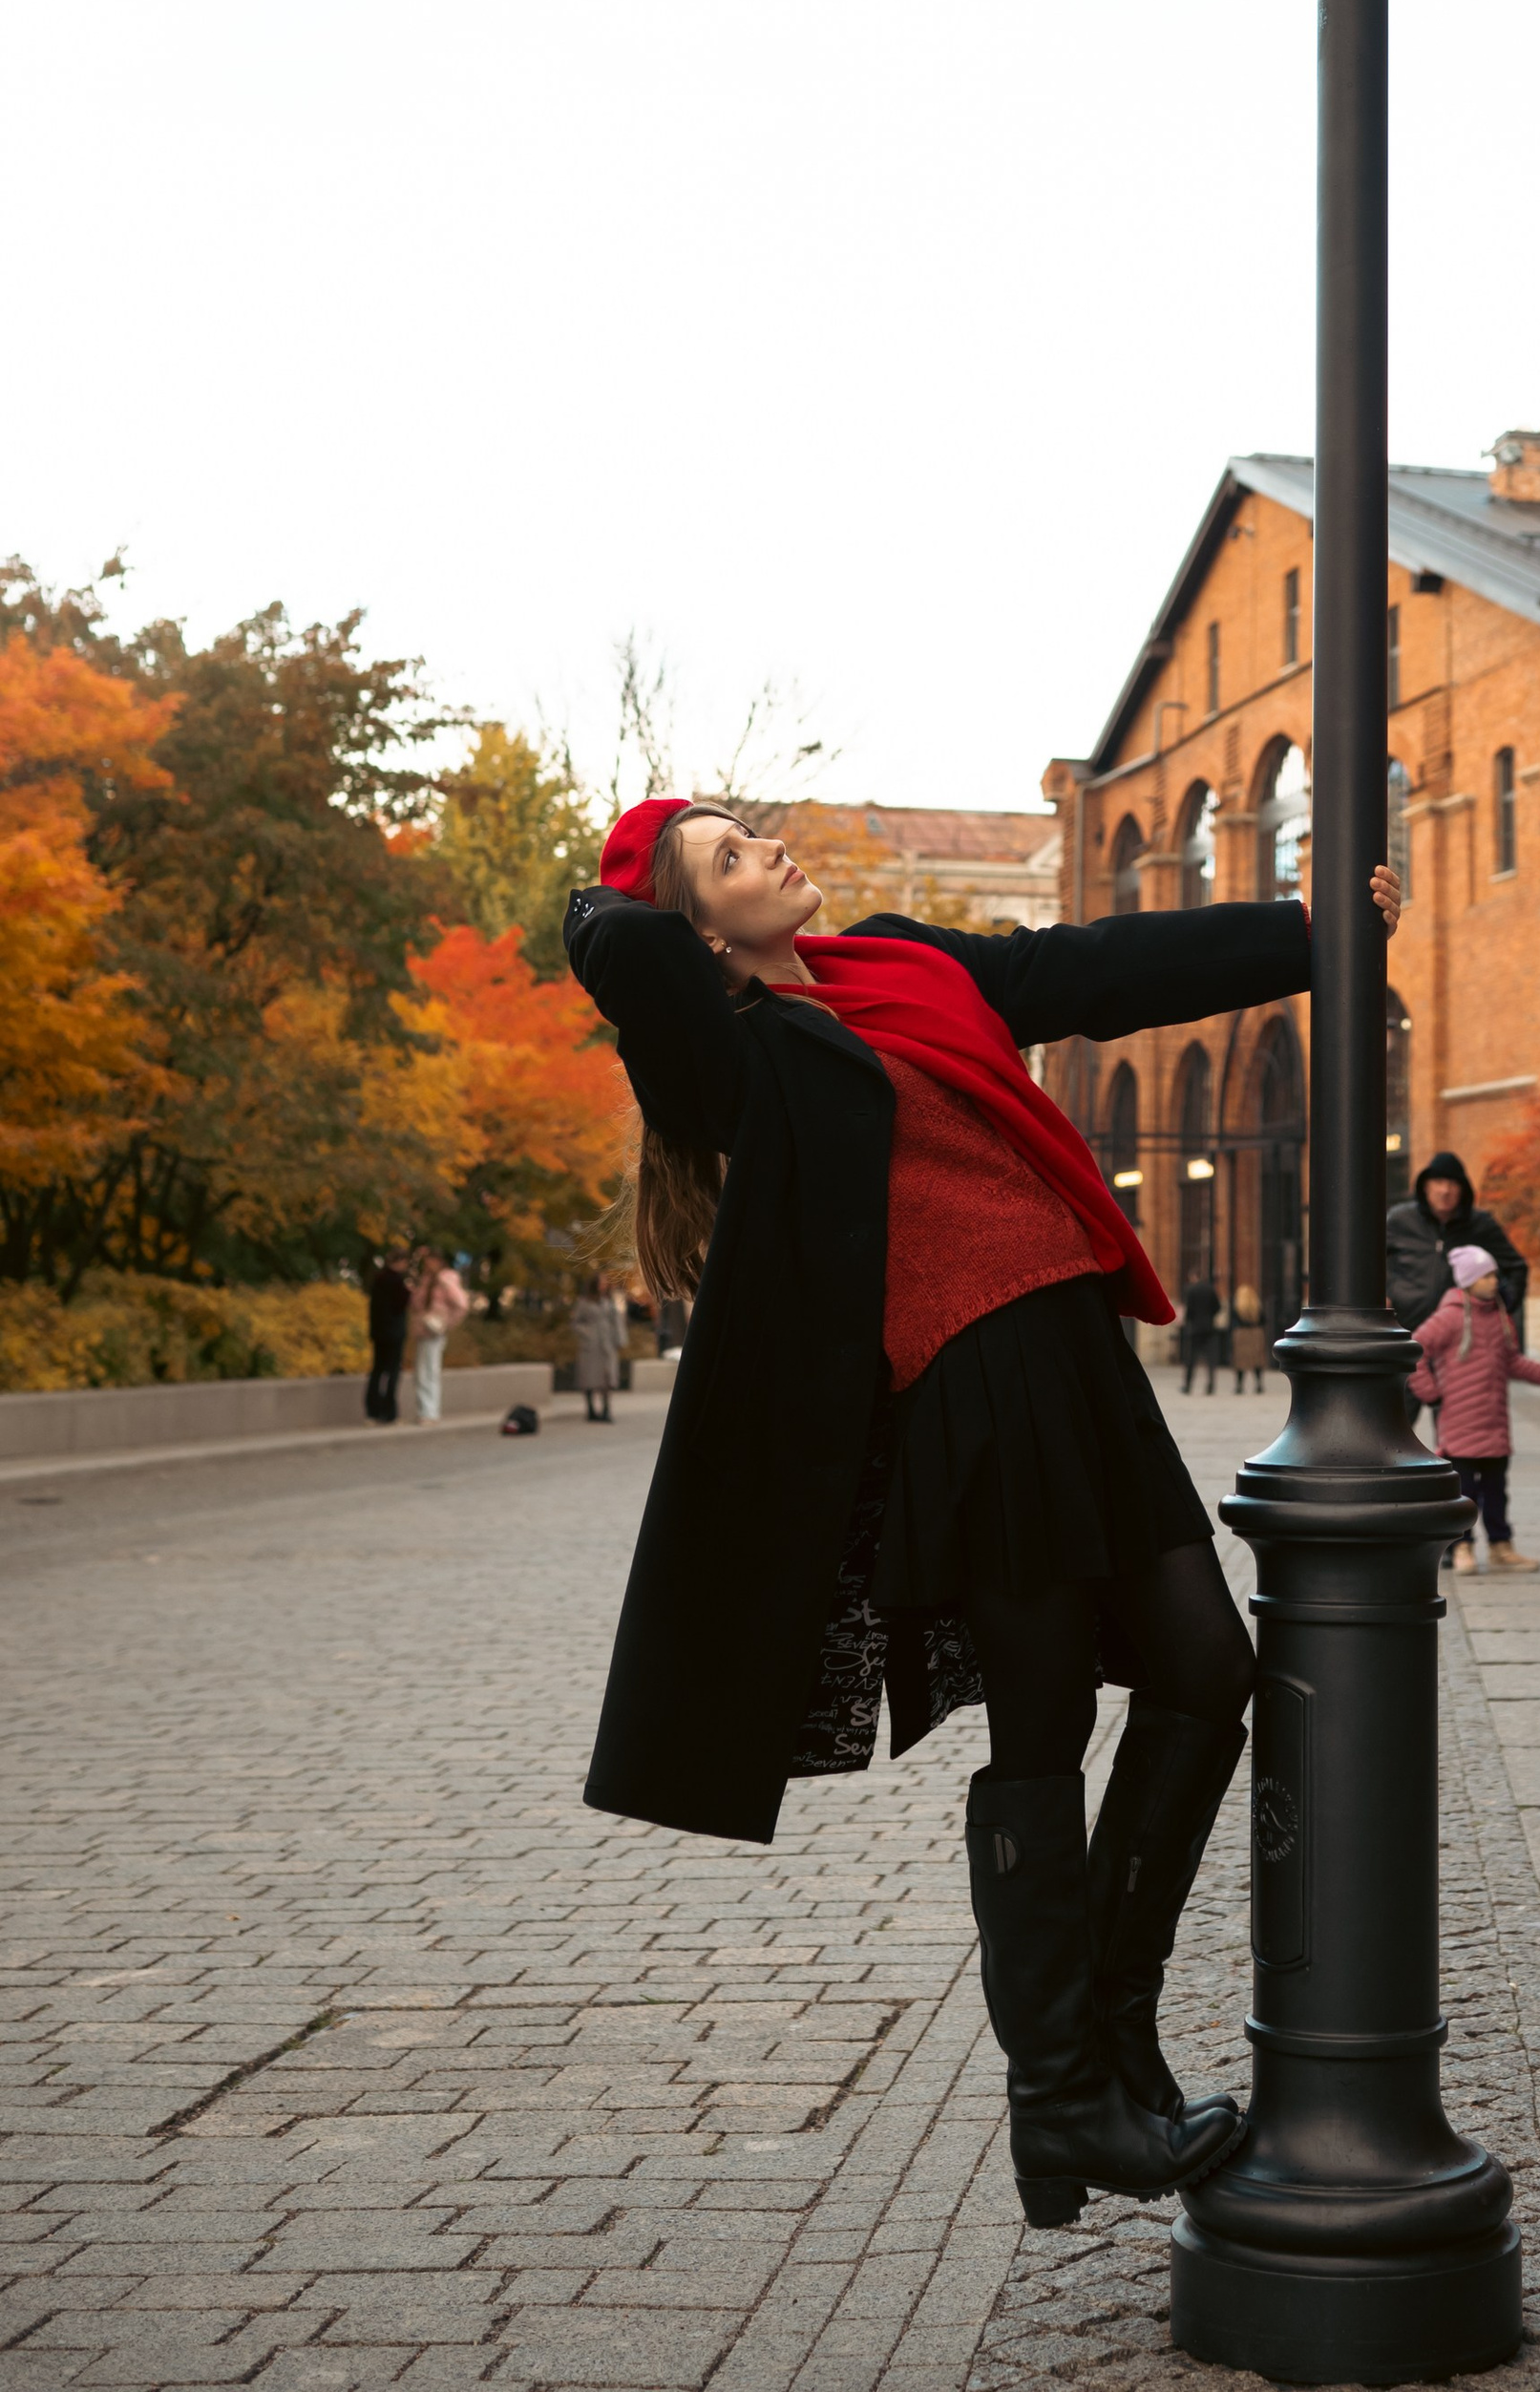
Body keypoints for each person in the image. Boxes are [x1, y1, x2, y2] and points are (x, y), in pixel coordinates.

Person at [563, 792, 1403, 2228]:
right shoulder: (736, 1059)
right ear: (693, 930)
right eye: (727, 857)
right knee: (1044, 1726)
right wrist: (635, 888)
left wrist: (1309, 934)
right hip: (964, 1386)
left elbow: (1082, 969)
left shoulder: (906, 960)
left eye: (750, 830)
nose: (765, 848)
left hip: (1073, 1352)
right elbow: (627, 962)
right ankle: (1062, 2097)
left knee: (1209, 1669)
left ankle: (1108, 2045)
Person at [1409, 1242, 1540, 1570]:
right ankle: (1462, 1548)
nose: (1494, 1281)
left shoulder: (1500, 1316)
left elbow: (1512, 1361)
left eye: (1494, 1275)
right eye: (1487, 1275)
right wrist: (1430, 1393)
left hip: (1494, 1423)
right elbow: (1415, 1351)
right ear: (1469, 1280)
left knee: (1497, 1491)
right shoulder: (1449, 1317)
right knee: (1463, 1493)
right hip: (1459, 1425)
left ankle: (1502, 1546)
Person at [1386, 1152, 1529, 1334]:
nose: (1445, 1190)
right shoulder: (1400, 1220)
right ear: (1425, 1187)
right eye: (1438, 1182)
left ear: (1463, 1189)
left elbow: (1517, 1267)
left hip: (1461, 1338)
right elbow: (1365, 1261)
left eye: (1453, 1183)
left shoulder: (1480, 1225)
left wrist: (1501, 1309)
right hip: (1403, 1330)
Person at [406, 1248, 470, 1425]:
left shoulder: (446, 1279)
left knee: (429, 1371)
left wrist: (447, 1323)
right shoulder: (424, 1281)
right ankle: (424, 1411)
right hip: (422, 1329)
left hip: (435, 1329)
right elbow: (416, 1304)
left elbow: (461, 1304)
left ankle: (430, 1412)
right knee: (421, 1372)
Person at [363, 1249, 410, 1425]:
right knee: (392, 1372)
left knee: (377, 1371)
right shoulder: (397, 1282)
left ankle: (372, 1411)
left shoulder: (378, 1280)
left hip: (379, 1333)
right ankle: (389, 1412)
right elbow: (400, 1306)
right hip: (394, 1334)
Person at [573, 1272, 626, 1422]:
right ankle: (590, 1409)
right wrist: (587, 1333)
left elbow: (617, 1322)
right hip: (591, 1346)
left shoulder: (609, 1301)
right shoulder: (584, 1302)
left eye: (605, 1282)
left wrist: (620, 1340)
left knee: (607, 1377)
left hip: (607, 1344)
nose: (604, 1285)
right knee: (589, 1377)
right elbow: (576, 1323)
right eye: (601, 1282)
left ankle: (606, 1410)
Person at [1176, 1273, 1224, 1393]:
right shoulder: (1210, 1289)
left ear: (1193, 1277)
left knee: (1191, 1358)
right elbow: (1218, 1307)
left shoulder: (1191, 1290)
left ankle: (1187, 1385)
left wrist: (1188, 1323)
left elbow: (1189, 1309)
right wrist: (1210, 1316)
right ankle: (1211, 1385)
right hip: (1209, 1327)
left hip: (1195, 1329)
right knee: (1210, 1359)